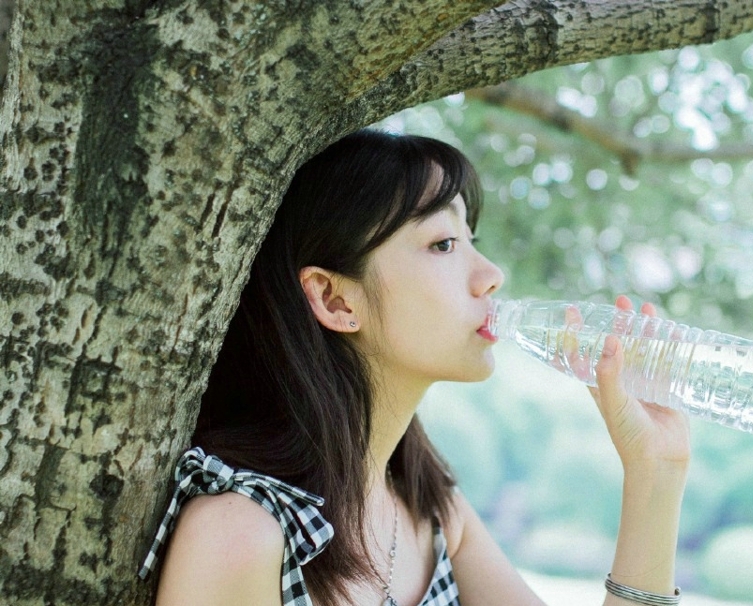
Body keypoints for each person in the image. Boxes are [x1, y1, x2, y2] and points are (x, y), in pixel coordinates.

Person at [139, 129, 691, 606]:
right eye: (444, 243)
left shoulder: (433, 515)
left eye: (472, 240)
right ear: (335, 300)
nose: (492, 275)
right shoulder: (241, 533)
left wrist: (656, 472)